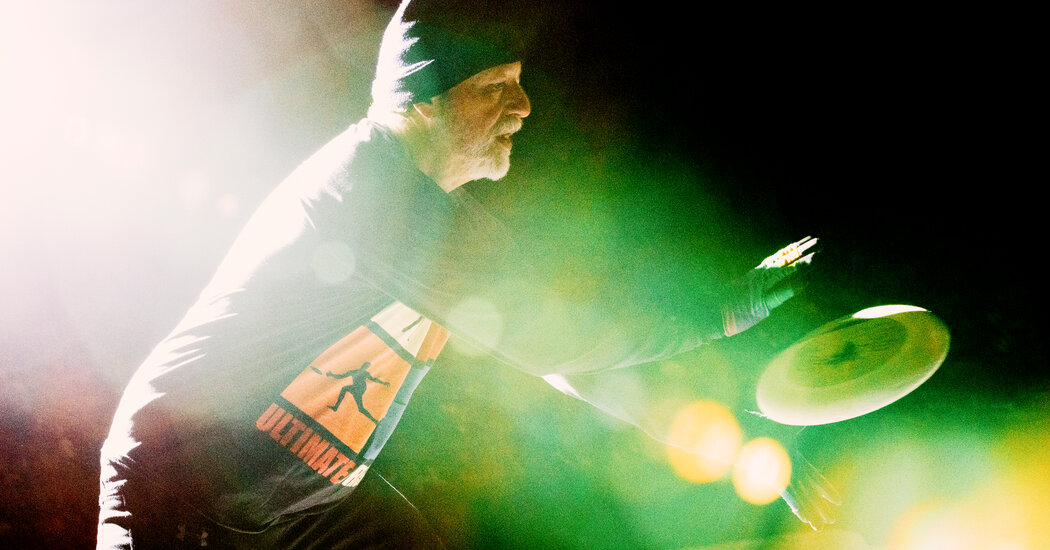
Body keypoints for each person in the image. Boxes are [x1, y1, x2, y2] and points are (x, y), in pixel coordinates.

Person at [96, 1, 830, 548]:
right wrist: (725, 311)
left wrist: (741, 445)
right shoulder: (376, 191)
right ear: (422, 97)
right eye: (497, 83)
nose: (524, 105)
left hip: (290, 506)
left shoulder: (439, 220)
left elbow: (570, 364)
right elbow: (555, 339)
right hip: (181, 484)